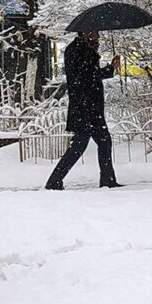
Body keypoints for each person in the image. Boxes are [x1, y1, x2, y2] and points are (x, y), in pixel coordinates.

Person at [45, 31, 123, 190]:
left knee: (95, 142)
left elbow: (90, 75)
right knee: (88, 144)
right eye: (95, 33)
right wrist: (107, 67)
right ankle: (55, 180)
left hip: (87, 107)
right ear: (86, 32)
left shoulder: (82, 50)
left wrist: (109, 67)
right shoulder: (77, 50)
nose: (99, 36)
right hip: (85, 107)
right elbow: (89, 76)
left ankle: (106, 179)